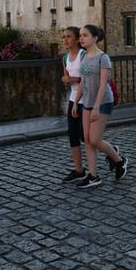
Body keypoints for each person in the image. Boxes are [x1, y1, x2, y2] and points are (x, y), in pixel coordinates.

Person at [71, 25, 128, 188]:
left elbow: (103, 85)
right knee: (87, 140)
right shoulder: (83, 57)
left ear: (95, 38)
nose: (81, 38)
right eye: (80, 35)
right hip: (87, 102)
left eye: (85, 35)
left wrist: (96, 107)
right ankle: (93, 176)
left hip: (102, 102)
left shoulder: (103, 58)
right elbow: (82, 82)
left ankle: (119, 161)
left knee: (95, 139)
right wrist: (75, 102)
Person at [61, 26, 87, 183]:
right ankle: (79, 170)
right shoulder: (65, 58)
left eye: (68, 36)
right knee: (73, 134)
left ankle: (113, 154)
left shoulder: (84, 55)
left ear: (77, 39)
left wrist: (72, 79)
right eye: (64, 37)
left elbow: (86, 79)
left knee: (87, 137)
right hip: (73, 98)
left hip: (86, 99)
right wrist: (66, 80)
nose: (65, 40)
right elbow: (67, 80)